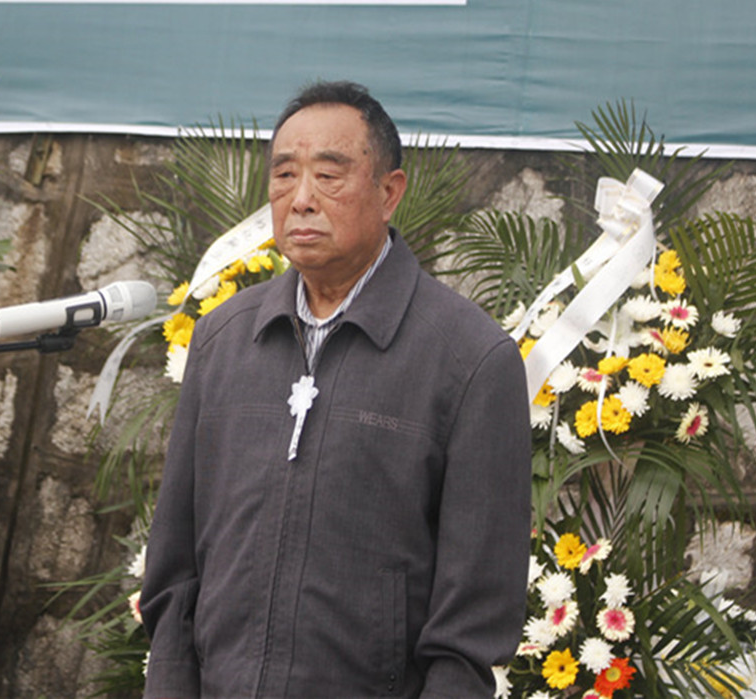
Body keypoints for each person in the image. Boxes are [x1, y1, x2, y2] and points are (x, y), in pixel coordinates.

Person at [138, 80, 531, 698]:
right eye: (284, 175)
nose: (301, 200)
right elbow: (175, 571)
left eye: (328, 176)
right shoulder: (223, 339)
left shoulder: (470, 359)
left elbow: (472, 628)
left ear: (389, 192)